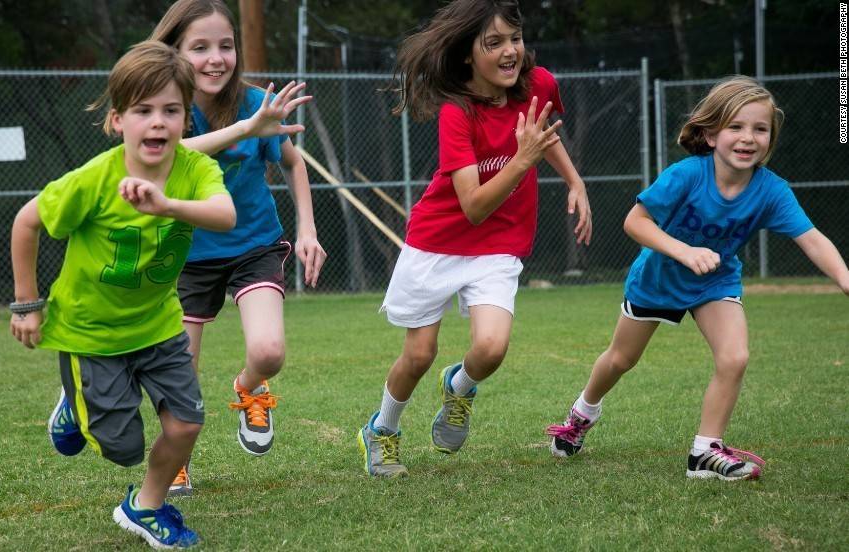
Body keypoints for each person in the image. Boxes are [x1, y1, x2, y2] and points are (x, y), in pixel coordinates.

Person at [546, 76, 849, 481]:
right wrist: (685, 251)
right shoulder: (686, 174)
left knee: (734, 356)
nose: (748, 138)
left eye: (760, 129)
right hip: (658, 279)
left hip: (714, 283)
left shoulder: (772, 191)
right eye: (736, 127)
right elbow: (636, 222)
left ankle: (705, 452)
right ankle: (582, 414)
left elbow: (811, 239)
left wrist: (844, 277)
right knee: (620, 359)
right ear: (709, 134)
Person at [9, 41, 235, 548]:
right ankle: (74, 401)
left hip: (159, 326)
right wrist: (27, 305)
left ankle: (146, 507)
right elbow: (27, 222)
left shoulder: (194, 172)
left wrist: (167, 205)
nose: (158, 122)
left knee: (187, 424)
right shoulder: (94, 180)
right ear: (117, 120)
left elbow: (225, 215)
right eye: (144, 111)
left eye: (171, 111)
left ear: (185, 120)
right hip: (92, 334)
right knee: (123, 447)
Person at [357, 0, 592, 478]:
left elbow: (542, 131)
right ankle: (382, 429)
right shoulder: (456, 113)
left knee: (491, 348)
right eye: (495, 43)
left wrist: (574, 180)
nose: (511, 52)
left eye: (515, 39)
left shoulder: (539, 84)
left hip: (498, 245)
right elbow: (474, 205)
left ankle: (459, 386)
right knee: (418, 354)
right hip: (437, 241)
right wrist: (522, 162)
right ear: (468, 54)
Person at [149, 0, 327, 495]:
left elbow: (292, 163)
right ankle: (176, 455)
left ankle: (249, 387)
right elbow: (172, 155)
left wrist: (307, 230)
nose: (215, 59)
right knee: (179, 375)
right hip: (186, 253)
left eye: (225, 46)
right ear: (173, 54)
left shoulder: (254, 104)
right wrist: (247, 130)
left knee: (269, 352)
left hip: (254, 244)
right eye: (199, 47)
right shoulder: (166, 113)